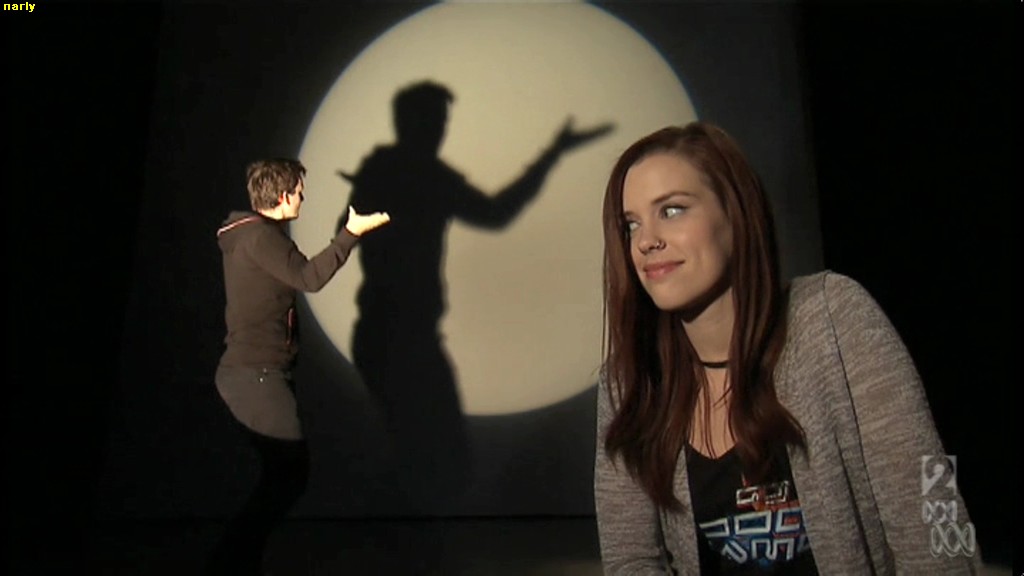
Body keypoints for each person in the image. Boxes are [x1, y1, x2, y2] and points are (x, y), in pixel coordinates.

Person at [594, 122, 981, 574]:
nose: (646, 241)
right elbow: (630, 560)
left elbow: (931, 516)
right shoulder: (630, 378)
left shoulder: (833, 318)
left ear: (735, 214)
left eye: (673, 210)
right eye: (631, 224)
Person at [335, 80, 613, 509]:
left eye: (441, 122)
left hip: (400, 337)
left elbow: (493, 214)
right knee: (433, 461)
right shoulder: (413, 175)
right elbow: (496, 212)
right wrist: (553, 154)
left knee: (429, 460)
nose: (439, 131)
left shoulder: (401, 174)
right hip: (396, 340)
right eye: (433, 121)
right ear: (411, 123)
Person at [205, 158, 390, 576]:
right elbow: (309, 278)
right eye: (300, 191)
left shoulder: (251, 236)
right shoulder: (261, 238)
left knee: (283, 476)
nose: (303, 197)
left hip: (254, 374)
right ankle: (226, 566)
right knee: (288, 475)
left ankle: (236, 564)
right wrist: (351, 233)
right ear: (283, 195)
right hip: (256, 376)